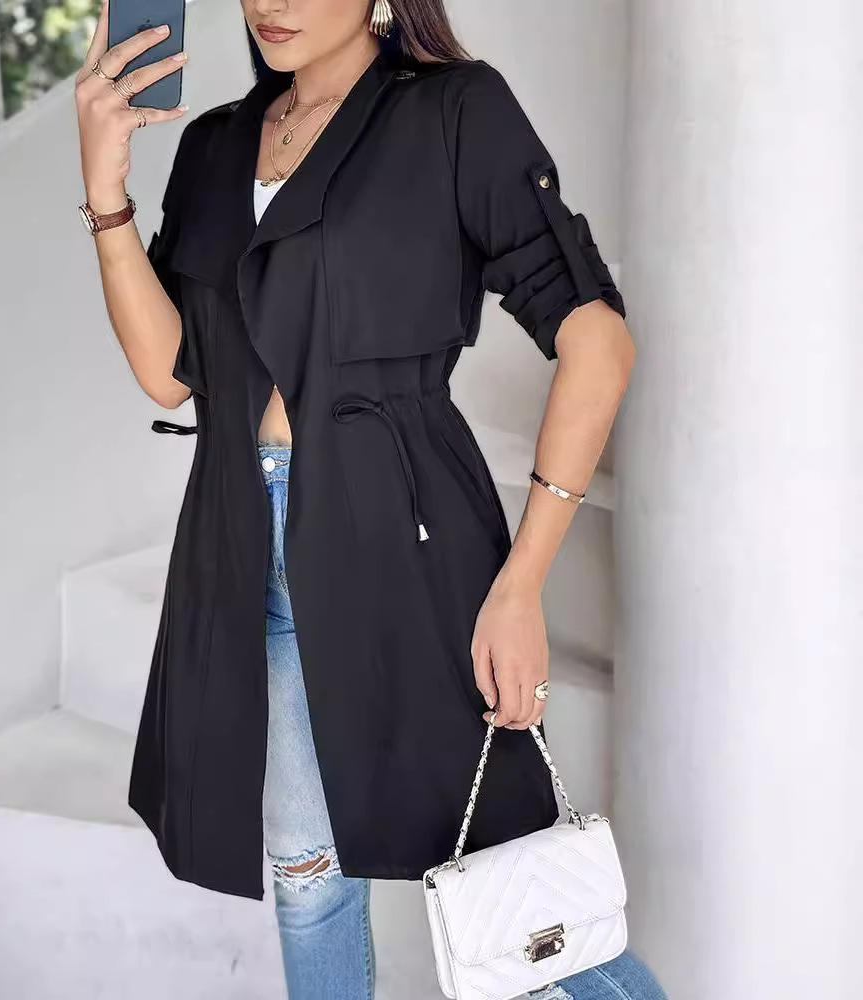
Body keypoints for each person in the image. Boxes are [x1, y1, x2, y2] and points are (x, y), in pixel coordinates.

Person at [74, 1, 669, 998]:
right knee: (306, 878)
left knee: (519, 895)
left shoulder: (452, 112)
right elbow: (172, 371)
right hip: (242, 543)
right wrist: (104, 188)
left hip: (409, 536)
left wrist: (522, 582)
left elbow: (597, 342)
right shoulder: (217, 145)